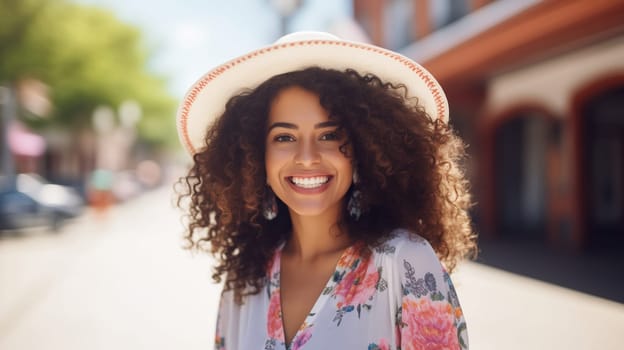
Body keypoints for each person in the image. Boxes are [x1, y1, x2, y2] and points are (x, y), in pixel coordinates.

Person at [177, 31, 477, 350]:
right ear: (253, 157)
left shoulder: (406, 262)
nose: (307, 157)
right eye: (284, 137)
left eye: (329, 135)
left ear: (363, 149)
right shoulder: (244, 279)